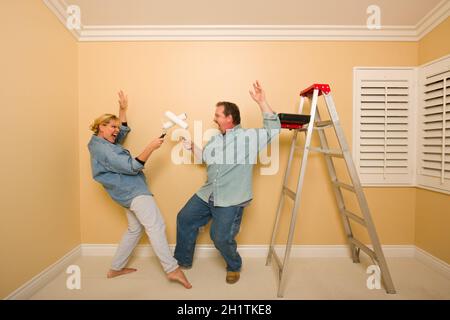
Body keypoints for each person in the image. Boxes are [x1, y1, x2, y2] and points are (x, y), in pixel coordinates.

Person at [174, 81, 281, 284]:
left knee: (220, 237)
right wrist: (191, 146)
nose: (214, 119)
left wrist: (262, 102)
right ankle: (183, 260)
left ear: (229, 118)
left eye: (217, 116)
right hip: (208, 193)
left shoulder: (248, 137)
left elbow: (274, 129)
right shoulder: (216, 139)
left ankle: (234, 266)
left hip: (231, 198)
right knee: (185, 217)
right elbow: (206, 158)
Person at [87, 91, 191, 289]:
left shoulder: (102, 142)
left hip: (124, 193)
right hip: (133, 191)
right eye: (112, 126)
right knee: (157, 226)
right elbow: (132, 167)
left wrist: (122, 110)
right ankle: (172, 270)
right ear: (101, 126)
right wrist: (151, 147)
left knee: (135, 229)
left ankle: (115, 268)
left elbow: (123, 133)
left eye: (116, 126)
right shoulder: (104, 149)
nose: (116, 130)